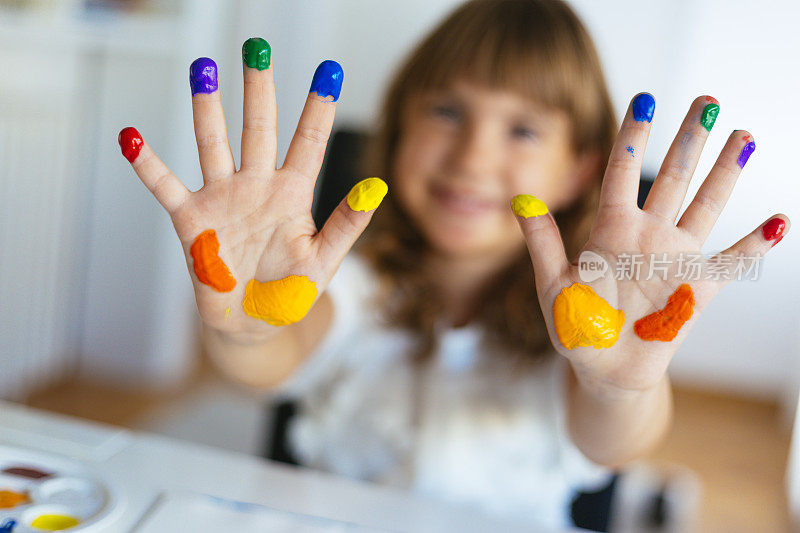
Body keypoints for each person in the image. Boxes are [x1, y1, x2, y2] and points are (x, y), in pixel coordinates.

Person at [118, 0, 789, 528]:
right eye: (446, 110)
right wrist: (247, 324)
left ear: (580, 168)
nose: (472, 157)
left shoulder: (589, 315)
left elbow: (610, 441)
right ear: (398, 128)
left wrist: (619, 386)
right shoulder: (354, 281)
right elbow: (278, 355)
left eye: (522, 129)